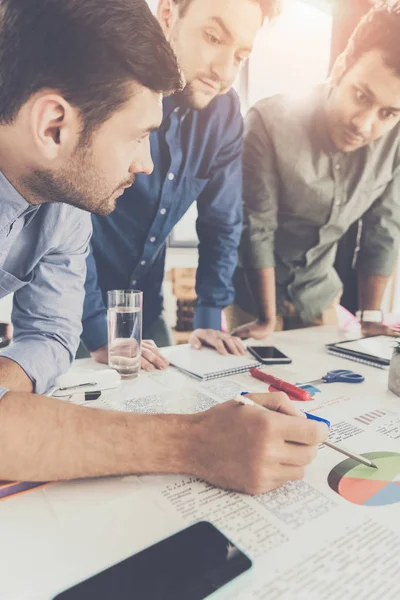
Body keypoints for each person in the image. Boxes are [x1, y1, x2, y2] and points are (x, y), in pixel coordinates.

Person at [0, 0, 327, 493]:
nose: (146, 165)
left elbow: (50, 334)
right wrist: (195, 442)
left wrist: (11, 391)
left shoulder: (65, 205)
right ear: (54, 127)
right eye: (137, 139)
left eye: (241, 52)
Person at [81, 0, 280, 372]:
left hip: (146, 312)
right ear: (169, 14)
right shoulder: (108, 85)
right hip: (72, 312)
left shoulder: (224, 114)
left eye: (240, 56)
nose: (224, 71)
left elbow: (222, 224)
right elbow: (66, 215)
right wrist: (95, 328)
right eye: (212, 37)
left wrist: (207, 322)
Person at [229, 1, 400, 341]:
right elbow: (257, 227)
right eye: (361, 95)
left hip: (321, 297)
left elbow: (383, 229)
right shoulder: (268, 122)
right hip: (254, 299)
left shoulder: (395, 143)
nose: (364, 125)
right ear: (340, 68)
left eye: (388, 113)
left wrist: (369, 317)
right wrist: (266, 319)